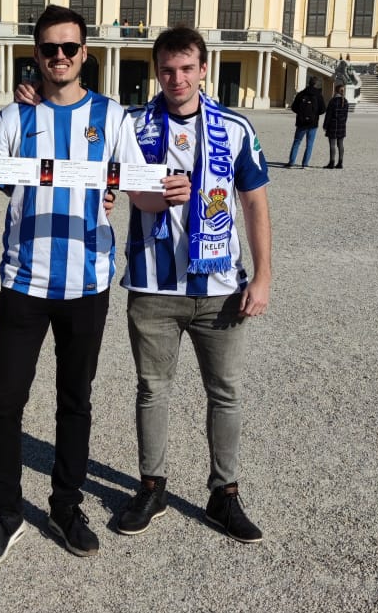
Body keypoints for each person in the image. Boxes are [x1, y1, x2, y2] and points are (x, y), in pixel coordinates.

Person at [0, 6, 148, 572]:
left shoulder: (111, 117)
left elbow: (136, 189)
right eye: (50, 48)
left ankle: (64, 505)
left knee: (75, 402)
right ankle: (6, 511)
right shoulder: (14, 118)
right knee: (5, 402)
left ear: (85, 53)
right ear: (36, 54)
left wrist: (167, 191)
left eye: (70, 47)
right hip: (25, 280)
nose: (60, 56)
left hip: (88, 281)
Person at [116, 27, 271, 544]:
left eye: (186, 68)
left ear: (204, 69)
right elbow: (131, 194)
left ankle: (223, 493)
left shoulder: (235, 128)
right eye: (166, 69)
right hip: (154, 285)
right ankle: (153, 486)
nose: (176, 79)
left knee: (225, 392)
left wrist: (265, 276)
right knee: (151, 390)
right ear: (155, 71)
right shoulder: (133, 126)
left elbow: (255, 203)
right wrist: (160, 195)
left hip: (221, 285)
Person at [286, 77, 325, 168]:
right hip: (313, 123)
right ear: (316, 85)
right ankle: (305, 164)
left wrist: (301, 114)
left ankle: (291, 162)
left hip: (301, 122)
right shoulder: (319, 95)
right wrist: (315, 114)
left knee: (297, 142)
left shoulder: (301, 94)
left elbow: (294, 108)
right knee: (309, 144)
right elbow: (323, 109)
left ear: (309, 83)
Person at [323, 83, 349, 168]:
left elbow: (328, 115)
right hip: (342, 125)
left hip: (333, 125)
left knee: (332, 144)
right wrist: (343, 123)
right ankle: (340, 163)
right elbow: (346, 116)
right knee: (340, 144)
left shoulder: (333, 101)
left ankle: (332, 162)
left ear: (335, 90)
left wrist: (325, 125)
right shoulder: (345, 101)